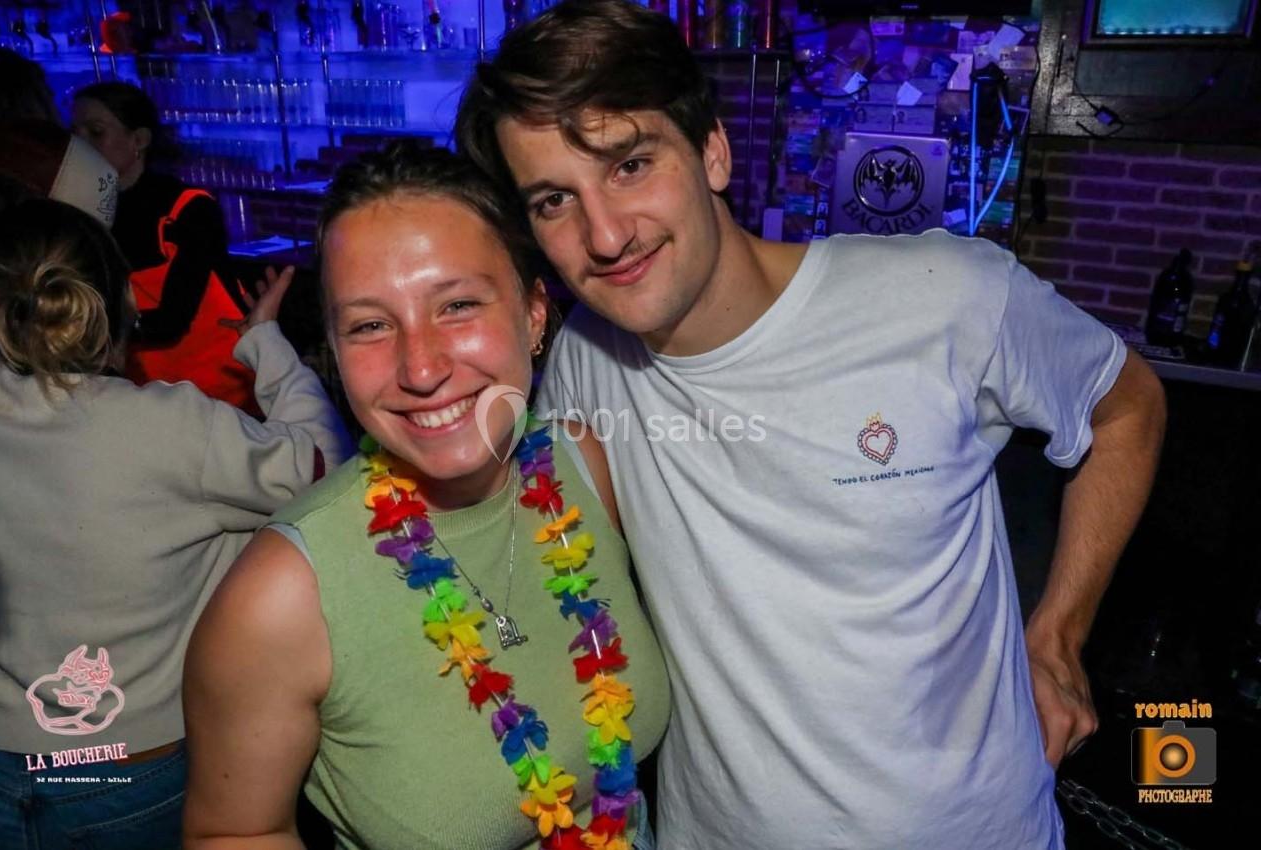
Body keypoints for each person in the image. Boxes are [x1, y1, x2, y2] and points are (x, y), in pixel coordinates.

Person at [454, 1, 1168, 848]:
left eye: (631, 164)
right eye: (553, 201)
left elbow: (1128, 406)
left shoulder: (948, 294)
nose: (604, 235)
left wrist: (1058, 635)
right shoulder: (586, 361)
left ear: (711, 151)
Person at [182, 144, 670, 850]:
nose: (420, 367)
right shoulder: (280, 597)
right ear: (334, 350)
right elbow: (235, 832)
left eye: (459, 305)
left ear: (535, 315)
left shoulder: (585, 466)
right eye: (371, 325)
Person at [0, 199, 350, 850]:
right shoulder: (172, 429)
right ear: (122, 301)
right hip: (132, 770)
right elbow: (323, 465)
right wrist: (264, 340)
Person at [72, 81, 255, 410]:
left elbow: (172, 320)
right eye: (75, 132)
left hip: (217, 395)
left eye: (96, 132)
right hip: (145, 396)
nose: (80, 143)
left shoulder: (188, 209)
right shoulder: (82, 216)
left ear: (139, 140)